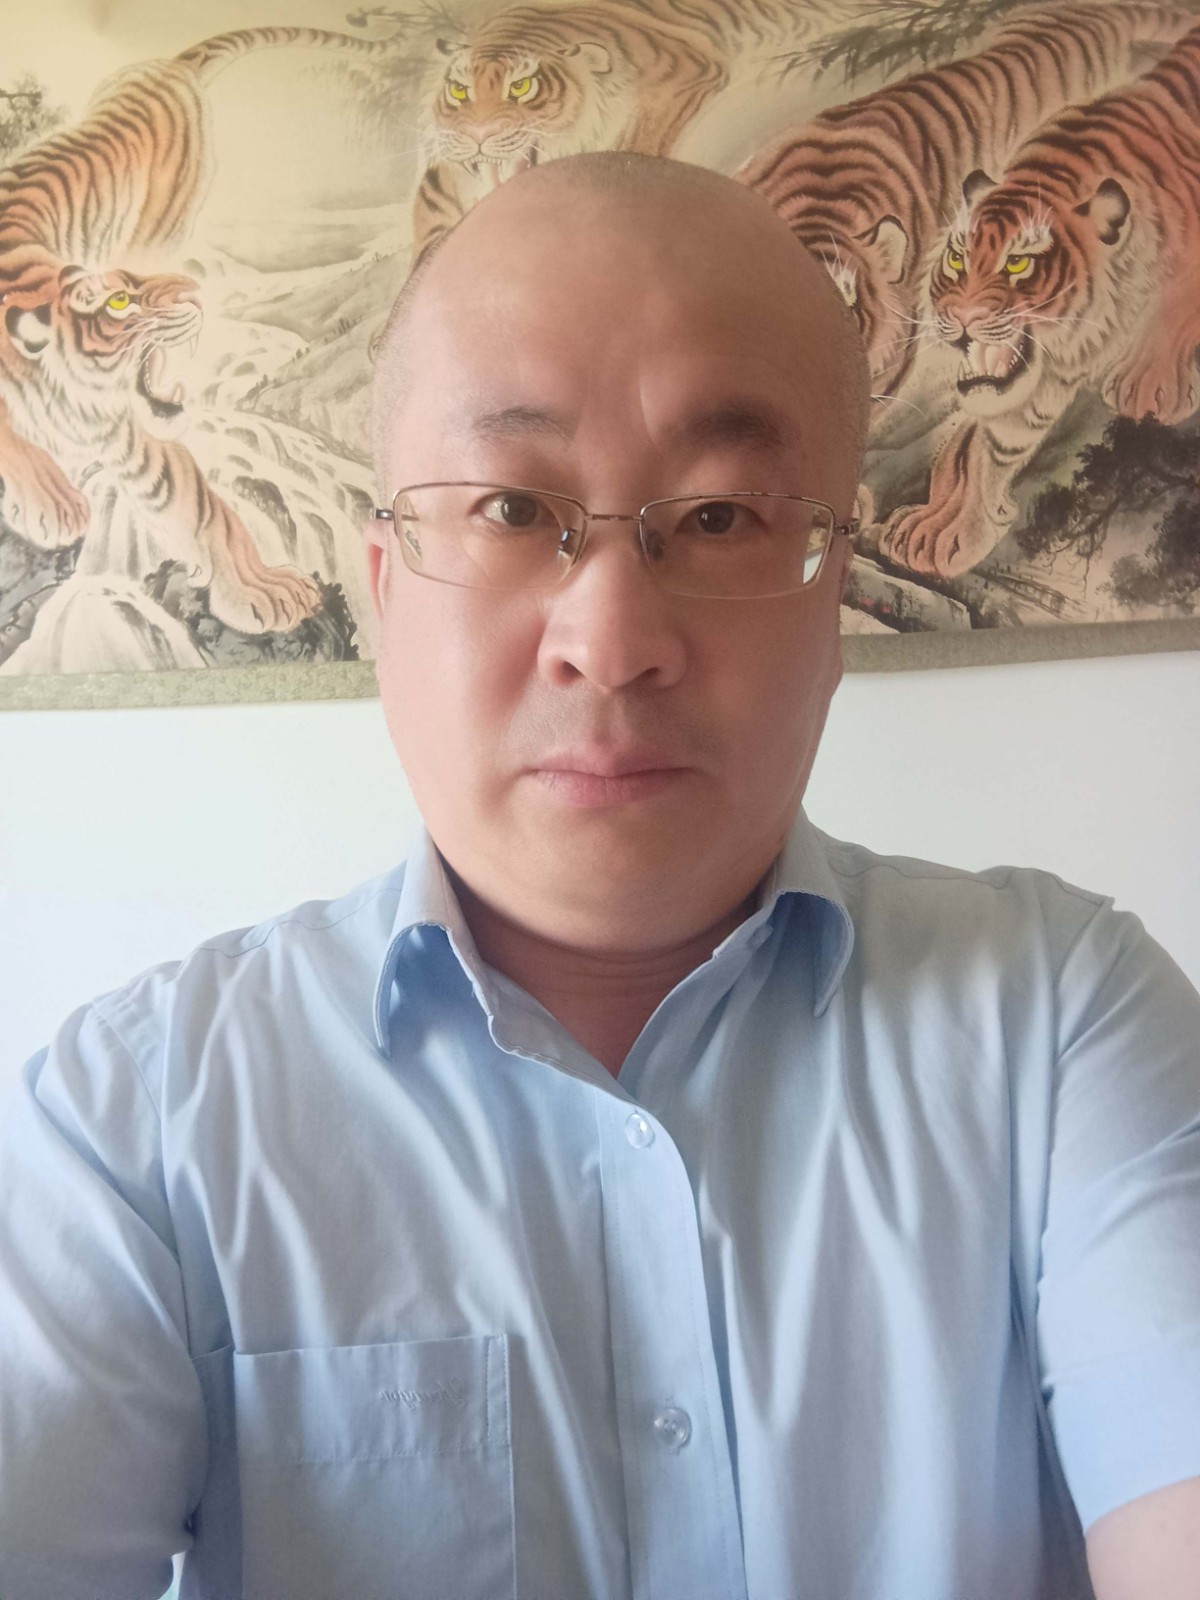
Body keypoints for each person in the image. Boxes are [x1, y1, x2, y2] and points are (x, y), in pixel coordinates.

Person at [0, 151, 1198, 1600]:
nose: (612, 639)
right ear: (382, 594)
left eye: (721, 516)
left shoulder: (1062, 1026)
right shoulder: (130, 1128)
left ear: (837, 594)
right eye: (513, 511)